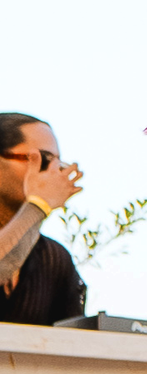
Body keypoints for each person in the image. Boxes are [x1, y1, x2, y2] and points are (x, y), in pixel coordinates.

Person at [0, 117, 86, 326]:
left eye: (59, 163)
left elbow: (72, 348)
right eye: (44, 159)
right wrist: (38, 205)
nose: (54, 173)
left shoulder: (54, 258)